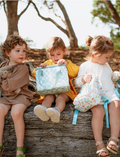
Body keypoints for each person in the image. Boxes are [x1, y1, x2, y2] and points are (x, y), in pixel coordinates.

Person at [74, 35, 120, 157]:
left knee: (116, 105)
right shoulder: (85, 66)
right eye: (106, 57)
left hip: (109, 93)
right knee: (98, 112)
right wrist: (84, 79)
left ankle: (114, 140)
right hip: (94, 96)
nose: (108, 59)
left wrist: (117, 75)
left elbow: (110, 77)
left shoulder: (106, 65)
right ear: (96, 54)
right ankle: (99, 144)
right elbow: (76, 82)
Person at [0, 34, 33, 157]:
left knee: (16, 113)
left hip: (21, 96)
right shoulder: (3, 66)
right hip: (6, 97)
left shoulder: (22, 68)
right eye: (17, 51)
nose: (22, 54)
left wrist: (2, 80)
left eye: (23, 51)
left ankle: (20, 148)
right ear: (8, 53)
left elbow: (11, 86)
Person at [32, 37, 79, 123]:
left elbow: (74, 73)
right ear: (48, 54)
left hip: (65, 91)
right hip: (51, 90)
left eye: (58, 54)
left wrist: (66, 65)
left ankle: (56, 111)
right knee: (48, 97)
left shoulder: (66, 62)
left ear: (64, 51)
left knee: (60, 98)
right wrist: (41, 68)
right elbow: (35, 74)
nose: (55, 57)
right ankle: (43, 110)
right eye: (52, 55)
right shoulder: (48, 63)